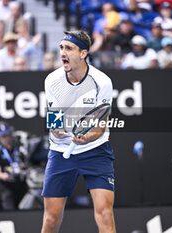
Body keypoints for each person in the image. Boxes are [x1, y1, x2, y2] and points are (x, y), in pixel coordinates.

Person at [41, 30, 116, 233]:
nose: (63, 53)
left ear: (83, 54)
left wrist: (87, 137)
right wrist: (56, 130)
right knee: (51, 218)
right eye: (61, 48)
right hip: (60, 152)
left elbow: (101, 124)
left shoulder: (103, 82)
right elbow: (54, 118)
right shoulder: (52, 81)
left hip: (95, 150)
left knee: (105, 214)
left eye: (69, 48)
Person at [0, 121, 27, 210]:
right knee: (9, 210)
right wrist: (5, 176)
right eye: (2, 136)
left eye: (7, 135)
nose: (5, 138)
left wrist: (25, 170)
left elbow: (27, 163)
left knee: (27, 208)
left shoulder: (19, 147)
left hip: (23, 184)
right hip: (8, 187)